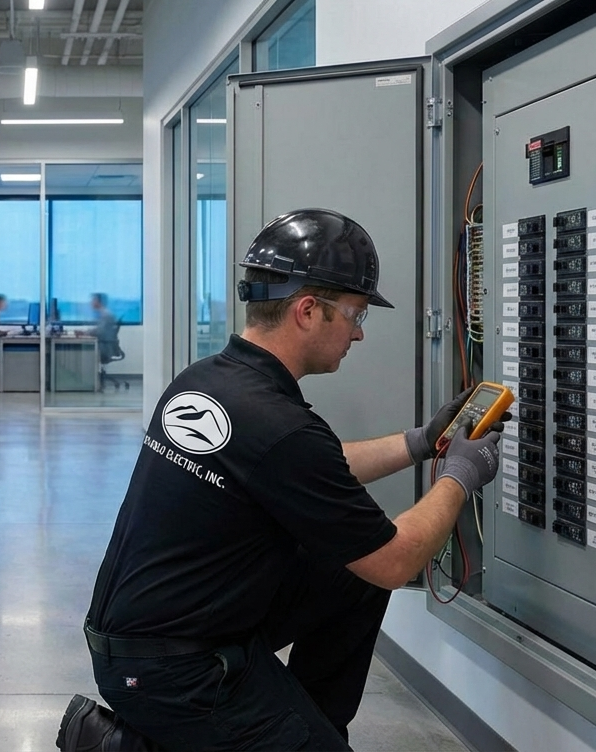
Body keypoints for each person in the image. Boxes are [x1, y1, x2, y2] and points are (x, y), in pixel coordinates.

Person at [57, 209, 506, 752]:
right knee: (371, 559)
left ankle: (301, 725)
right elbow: (395, 561)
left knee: (348, 572)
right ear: (308, 311)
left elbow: (306, 468)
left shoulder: (208, 380)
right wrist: (459, 475)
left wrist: (419, 441)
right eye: (356, 315)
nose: (359, 334)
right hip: (172, 670)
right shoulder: (279, 424)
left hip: (144, 635)